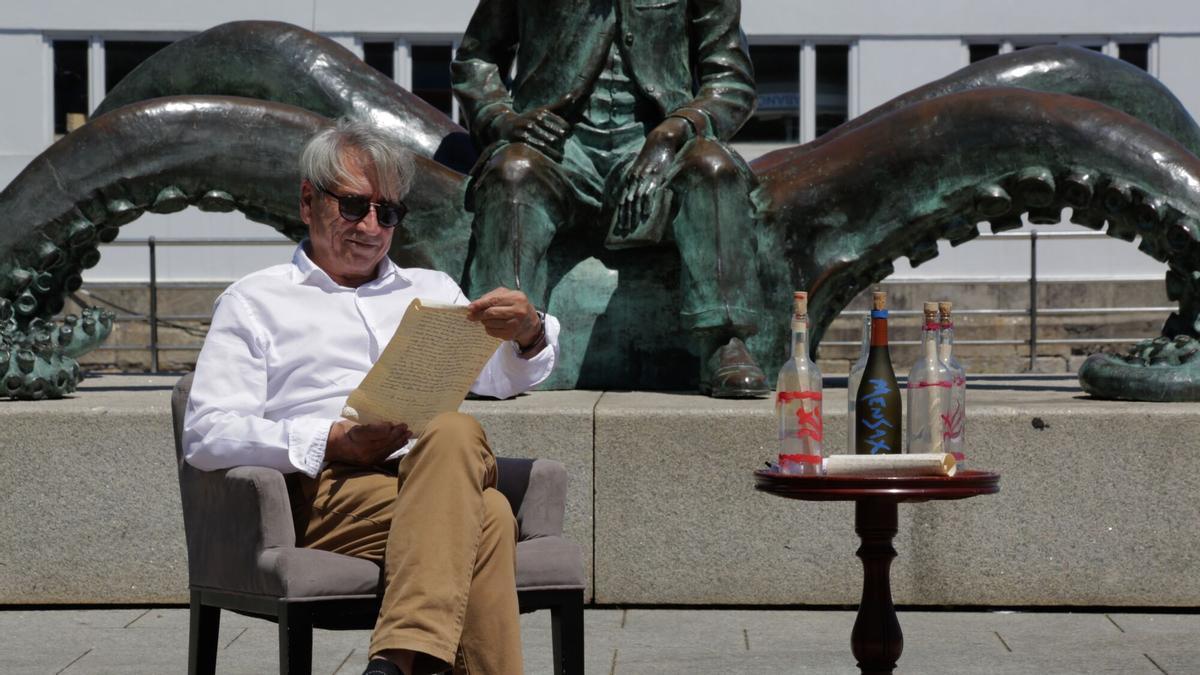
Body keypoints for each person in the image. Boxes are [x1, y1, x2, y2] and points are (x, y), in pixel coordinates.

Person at [183, 117, 557, 675]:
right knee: (491, 514)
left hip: (429, 471)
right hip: (329, 490)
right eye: (355, 207)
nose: (372, 227)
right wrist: (329, 439)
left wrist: (528, 334)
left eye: (389, 212)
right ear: (309, 202)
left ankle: (396, 660)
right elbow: (206, 433)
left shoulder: (430, 291)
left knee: (453, 436)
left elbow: (499, 380)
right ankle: (403, 659)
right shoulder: (254, 301)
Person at [451, 0, 770, 397]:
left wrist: (675, 131)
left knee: (713, 168)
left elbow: (731, 82)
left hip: (653, 146)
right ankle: (498, 342)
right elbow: (476, 59)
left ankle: (726, 342)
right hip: (557, 150)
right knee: (512, 172)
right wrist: (502, 118)